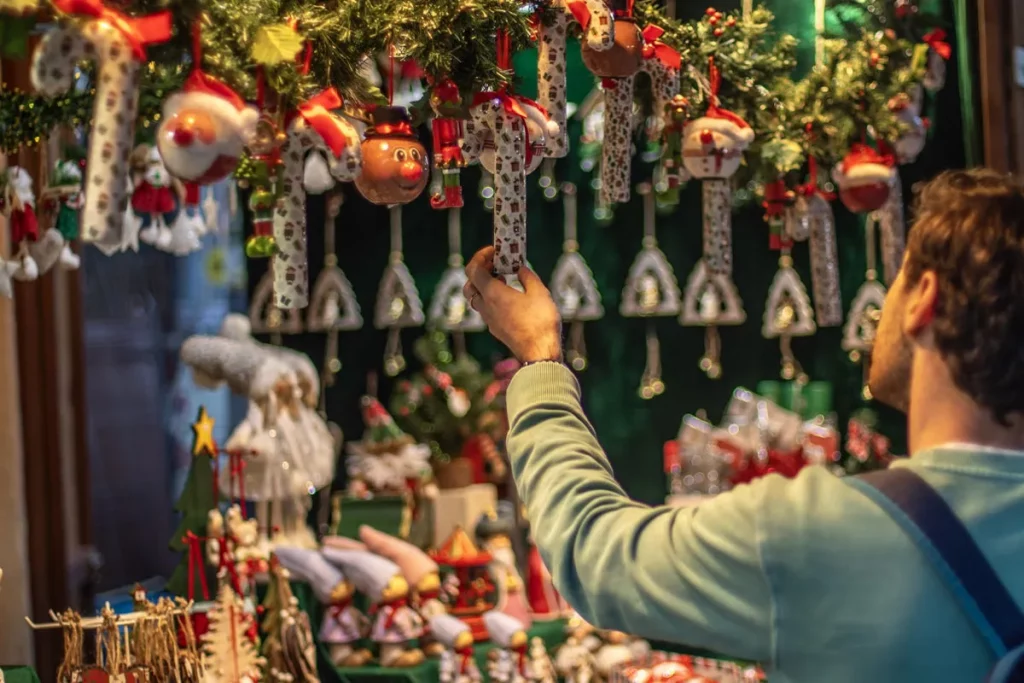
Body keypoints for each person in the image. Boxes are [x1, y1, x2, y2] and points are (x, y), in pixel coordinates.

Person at [461, 168, 1024, 683]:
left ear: (924, 301)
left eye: (900, 277)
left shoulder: (817, 532)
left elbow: (595, 556)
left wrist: (539, 360)